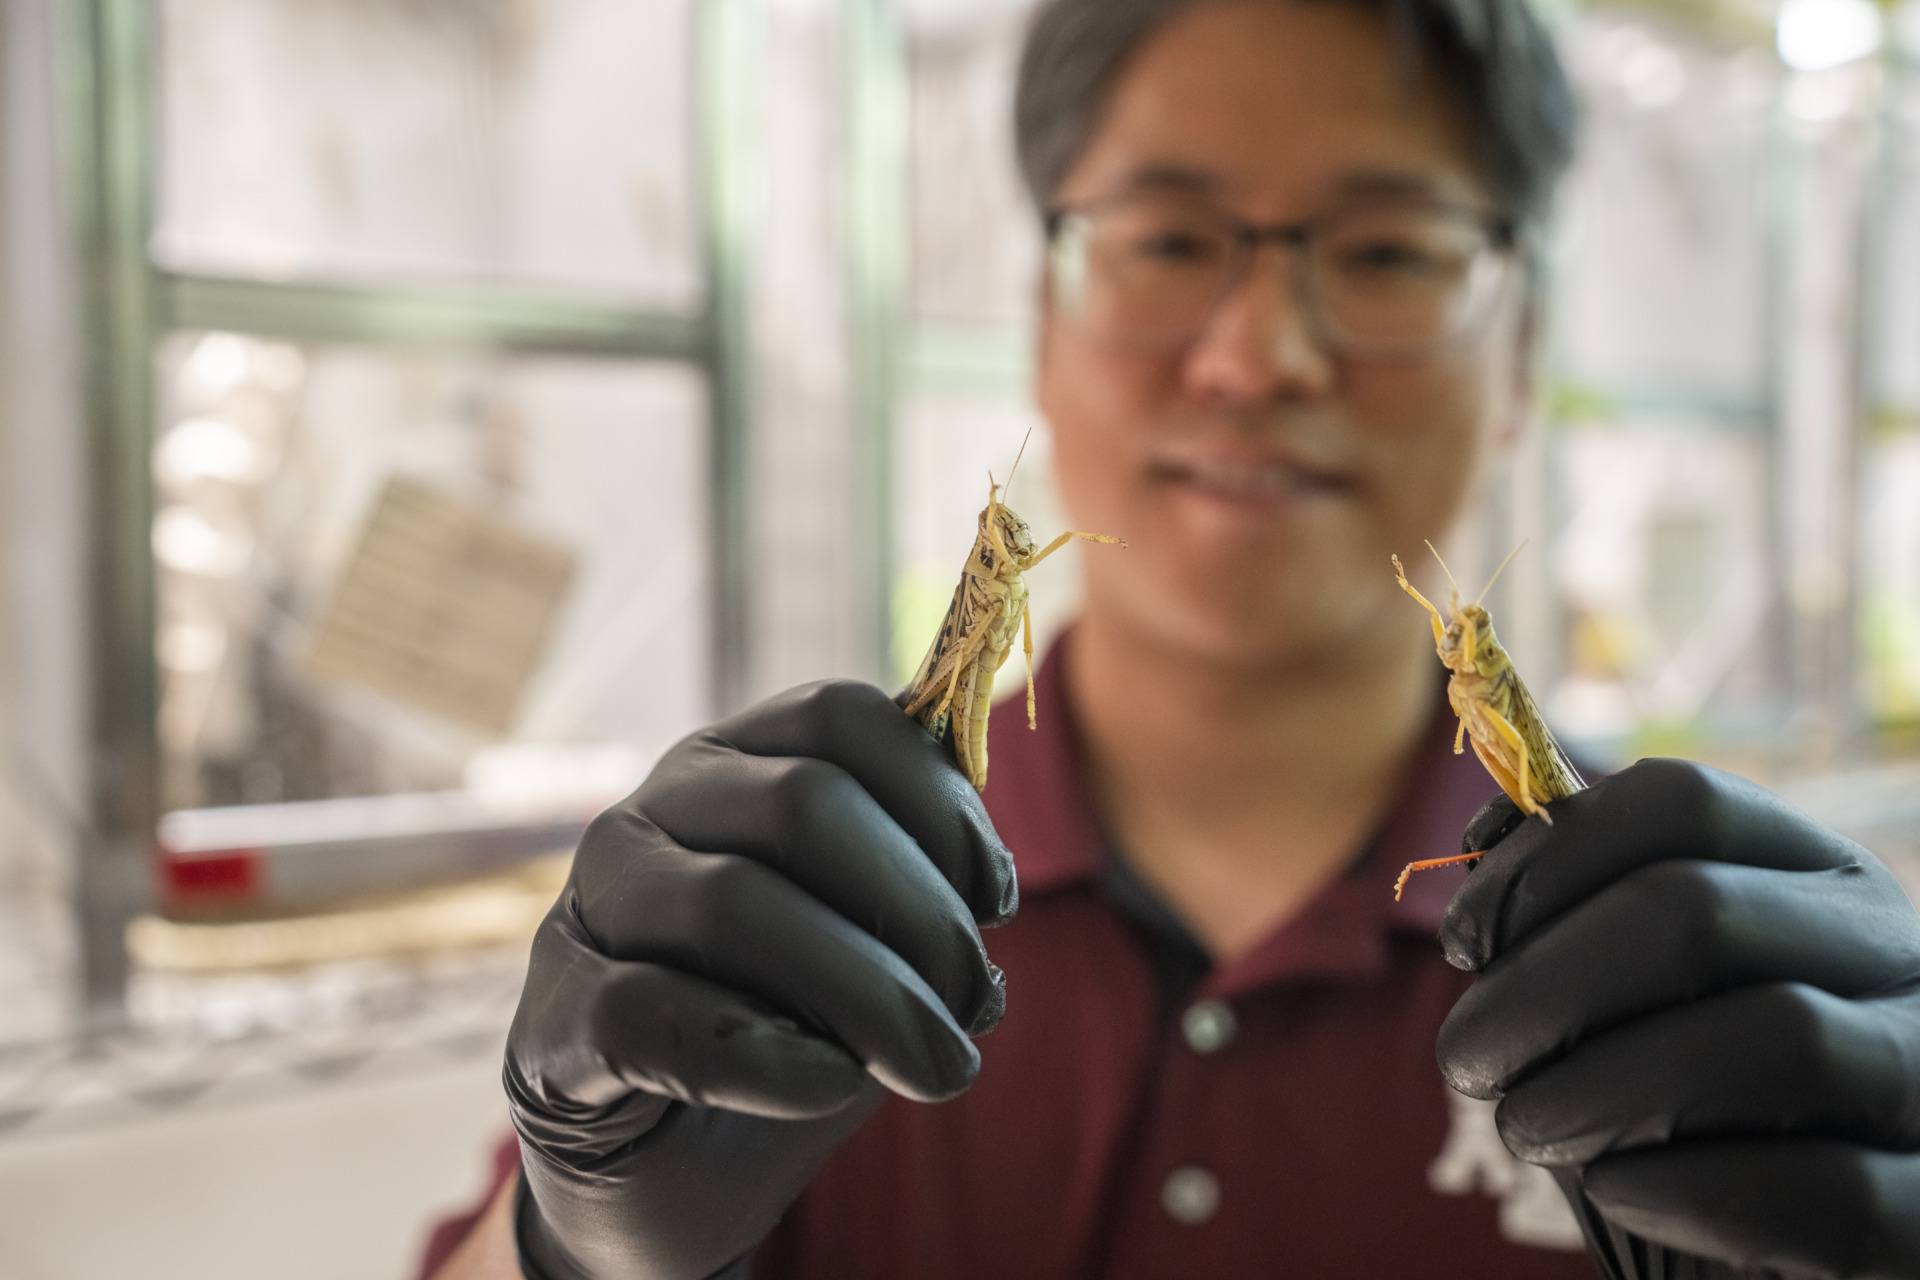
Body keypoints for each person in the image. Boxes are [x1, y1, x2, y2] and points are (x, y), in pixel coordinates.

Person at [423, 0, 1920, 1276]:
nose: (1257, 355)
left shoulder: (1676, 968)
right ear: (1042, 319)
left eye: (1389, 252)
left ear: (1523, 348)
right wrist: (575, 1237)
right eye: (1165, 239)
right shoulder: (812, 904)